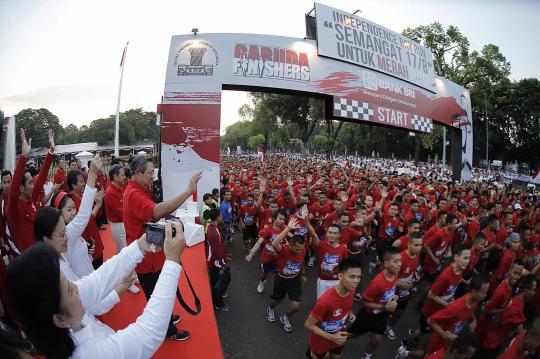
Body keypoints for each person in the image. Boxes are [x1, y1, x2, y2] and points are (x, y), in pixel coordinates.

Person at [7, 221, 187, 358]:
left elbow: (98, 280)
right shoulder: (89, 354)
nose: (76, 289)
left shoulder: (64, 316)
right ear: (60, 319)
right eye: (69, 288)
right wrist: (172, 262)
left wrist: (139, 247)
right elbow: (148, 332)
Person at [123, 154, 202, 341]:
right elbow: (156, 211)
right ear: (138, 172)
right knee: (157, 298)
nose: (153, 176)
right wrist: (188, 191)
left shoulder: (140, 189)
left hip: (152, 253)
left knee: (161, 292)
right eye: (150, 172)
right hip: (147, 259)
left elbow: (152, 216)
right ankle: (168, 331)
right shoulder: (134, 194)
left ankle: (166, 319)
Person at [347, 246, 402, 359]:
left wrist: (392, 297)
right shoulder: (378, 283)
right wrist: (385, 306)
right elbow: (362, 302)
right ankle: (334, 344)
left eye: (400, 260)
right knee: (351, 335)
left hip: (382, 315)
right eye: (396, 261)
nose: (400, 264)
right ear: (386, 264)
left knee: (376, 340)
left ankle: (366, 357)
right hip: (368, 315)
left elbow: (391, 287)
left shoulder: (395, 272)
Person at [6, 129, 54, 251]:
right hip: (32, 263)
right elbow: (12, 192)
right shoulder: (14, 209)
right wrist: (23, 156)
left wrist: (51, 151)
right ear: (21, 188)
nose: (34, 186)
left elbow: (42, 177)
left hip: (44, 252)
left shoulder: (31, 199)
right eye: (30, 183)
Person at [304, 258, 362, 359]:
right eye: (352, 276)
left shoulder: (351, 290)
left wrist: (350, 313)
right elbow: (308, 325)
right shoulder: (325, 301)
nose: (356, 281)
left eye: (358, 277)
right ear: (340, 276)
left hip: (339, 336)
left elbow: (346, 306)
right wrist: (331, 337)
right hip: (321, 341)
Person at [476, 275, 538, 359]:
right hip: (491, 343)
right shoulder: (517, 310)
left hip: (491, 337)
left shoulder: (517, 299)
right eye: (533, 289)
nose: (534, 293)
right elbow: (522, 335)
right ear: (526, 290)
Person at [425, 275, 489, 355]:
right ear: (473, 291)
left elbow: (469, 310)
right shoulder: (456, 308)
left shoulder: (474, 302)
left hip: (449, 345)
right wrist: (445, 335)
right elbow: (430, 320)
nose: (485, 295)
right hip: (438, 343)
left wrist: (473, 320)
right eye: (483, 292)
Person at [266, 217, 307, 333]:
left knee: (296, 306)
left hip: (295, 280)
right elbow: (274, 243)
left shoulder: (302, 251)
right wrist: (288, 228)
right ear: (290, 245)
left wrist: (303, 274)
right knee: (278, 300)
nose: (300, 251)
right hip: (282, 279)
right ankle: (271, 308)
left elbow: (302, 260)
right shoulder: (284, 250)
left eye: (301, 249)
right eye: (297, 249)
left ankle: (285, 317)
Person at [387, 232, 423, 341]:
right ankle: (384, 324)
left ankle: (388, 326)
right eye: (416, 245)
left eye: (420, 245)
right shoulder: (400, 259)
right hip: (394, 293)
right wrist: (405, 285)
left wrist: (415, 274)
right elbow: (391, 279)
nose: (419, 248)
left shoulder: (416, 256)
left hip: (405, 293)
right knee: (389, 311)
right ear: (408, 244)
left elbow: (412, 270)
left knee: (399, 313)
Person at [67, 168, 105, 269]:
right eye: (81, 181)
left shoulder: (82, 196)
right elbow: (85, 221)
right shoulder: (71, 202)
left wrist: (97, 202)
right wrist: (97, 205)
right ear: (73, 185)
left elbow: (94, 215)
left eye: (84, 180)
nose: (84, 183)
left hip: (94, 237)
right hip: (88, 243)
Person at [246, 209, 288, 294]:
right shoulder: (267, 230)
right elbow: (258, 243)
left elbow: (286, 240)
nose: (282, 221)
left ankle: (275, 288)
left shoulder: (284, 229)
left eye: (283, 219)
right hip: (267, 258)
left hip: (278, 259)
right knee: (264, 274)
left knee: (278, 275)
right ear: (273, 219)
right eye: (280, 218)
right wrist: (251, 253)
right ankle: (262, 282)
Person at [306, 220, 348, 299]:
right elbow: (312, 233)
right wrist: (305, 218)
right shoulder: (321, 245)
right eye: (330, 232)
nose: (332, 235)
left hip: (337, 281)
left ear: (339, 235)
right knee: (321, 303)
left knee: (335, 303)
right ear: (326, 233)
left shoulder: (343, 248)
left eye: (335, 233)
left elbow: (345, 266)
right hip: (323, 281)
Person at [206, 208, 230, 311]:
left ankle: (217, 299)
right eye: (221, 216)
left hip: (215, 262)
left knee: (219, 282)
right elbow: (216, 252)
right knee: (220, 284)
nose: (222, 218)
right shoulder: (214, 232)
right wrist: (221, 266)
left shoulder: (213, 228)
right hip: (215, 264)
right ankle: (218, 304)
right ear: (218, 217)